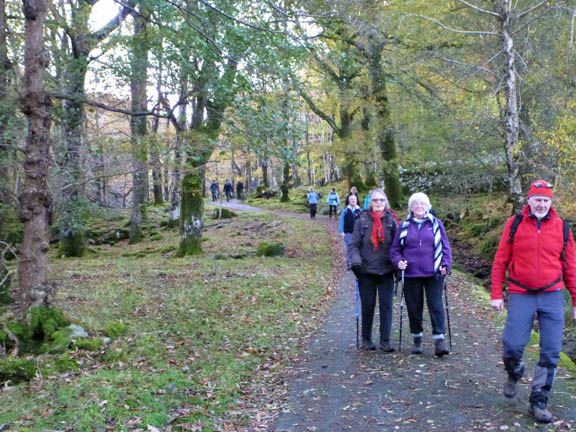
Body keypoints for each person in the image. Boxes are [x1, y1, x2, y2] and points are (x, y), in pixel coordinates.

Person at [490, 179, 576, 423]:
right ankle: (515, 371)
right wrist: (496, 294)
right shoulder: (514, 224)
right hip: (521, 293)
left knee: (551, 352)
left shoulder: (563, 228)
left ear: (551, 202)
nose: (541, 204)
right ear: (529, 201)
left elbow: (571, 267)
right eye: (537, 199)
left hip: (552, 295)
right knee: (512, 345)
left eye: (546, 200)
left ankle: (539, 401)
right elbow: (500, 260)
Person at [390, 192, 452, 357]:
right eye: (416, 204)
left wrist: (445, 264)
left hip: (434, 273)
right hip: (411, 274)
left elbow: (445, 248)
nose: (419, 207)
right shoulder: (404, 225)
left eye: (422, 204)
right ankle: (417, 338)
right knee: (414, 307)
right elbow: (395, 249)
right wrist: (399, 262)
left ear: (428, 207)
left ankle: (439, 341)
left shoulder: (436, 223)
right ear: (411, 207)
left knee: (435, 305)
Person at [349, 189, 398, 352]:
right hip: (366, 271)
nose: (378, 203)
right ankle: (366, 340)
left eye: (382, 200)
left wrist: (399, 265)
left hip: (386, 271)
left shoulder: (391, 221)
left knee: (386, 306)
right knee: (368, 306)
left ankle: (385, 341)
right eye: (375, 200)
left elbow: (397, 246)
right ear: (370, 202)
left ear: (386, 202)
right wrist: (356, 261)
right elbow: (354, 244)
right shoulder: (361, 220)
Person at [339, 194, 362, 269]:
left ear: (357, 200)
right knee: (349, 246)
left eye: (354, 199)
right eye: (351, 199)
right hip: (348, 232)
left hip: (358, 233)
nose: (353, 200)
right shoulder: (345, 210)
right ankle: (349, 262)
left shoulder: (360, 210)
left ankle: (357, 261)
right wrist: (341, 231)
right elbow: (341, 221)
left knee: (358, 247)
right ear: (348, 200)